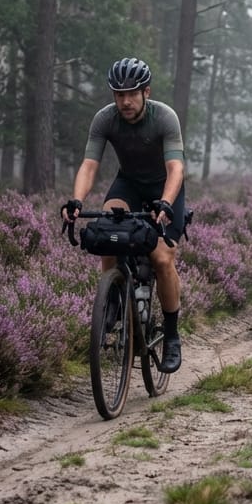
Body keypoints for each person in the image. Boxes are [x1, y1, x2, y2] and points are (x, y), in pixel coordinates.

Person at [63, 57, 187, 373]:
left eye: (132, 93)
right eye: (119, 94)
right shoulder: (104, 119)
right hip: (129, 184)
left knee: (161, 259)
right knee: (107, 235)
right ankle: (113, 301)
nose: (125, 101)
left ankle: (172, 336)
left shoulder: (165, 118)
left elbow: (176, 167)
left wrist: (166, 203)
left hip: (165, 188)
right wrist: (76, 200)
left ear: (146, 91)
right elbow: (89, 165)